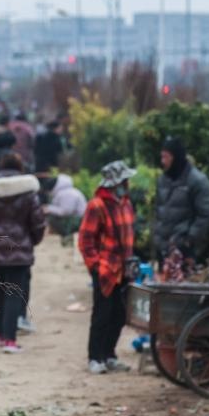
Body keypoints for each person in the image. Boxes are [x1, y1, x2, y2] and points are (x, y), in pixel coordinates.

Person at [0, 153, 45, 353]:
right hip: (19, 252)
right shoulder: (28, 192)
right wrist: (32, 241)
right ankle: (10, 340)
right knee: (14, 295)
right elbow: (38, 222)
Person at [78, 161, 137, 375]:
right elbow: (86, 241)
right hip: (105, 270)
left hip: (124, 270)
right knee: (102, 314)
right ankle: (95, 357)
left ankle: (109, 355)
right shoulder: (97, 205)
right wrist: (96, 266)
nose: (127, 184)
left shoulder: (125, 203)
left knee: (120, 315)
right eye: (124, 181)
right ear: (116, 183)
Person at [153, 137, 209, 263]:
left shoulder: (198, 181)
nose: (162, 161)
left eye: (166, 157)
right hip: (164, 250)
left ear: (175, 157)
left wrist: (189, 240)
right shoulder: (162, 180)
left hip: (186, 252)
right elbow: (158, 212)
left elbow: (205, 215)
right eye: (162, 157)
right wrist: (157, 240)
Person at [43, 173, 87, 246]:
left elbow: (66, 211)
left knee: (52, 218)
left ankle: (67, 236)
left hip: (78, 221)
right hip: (75, 219)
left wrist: (48, 208)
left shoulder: (67, 193)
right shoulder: (65, 191)